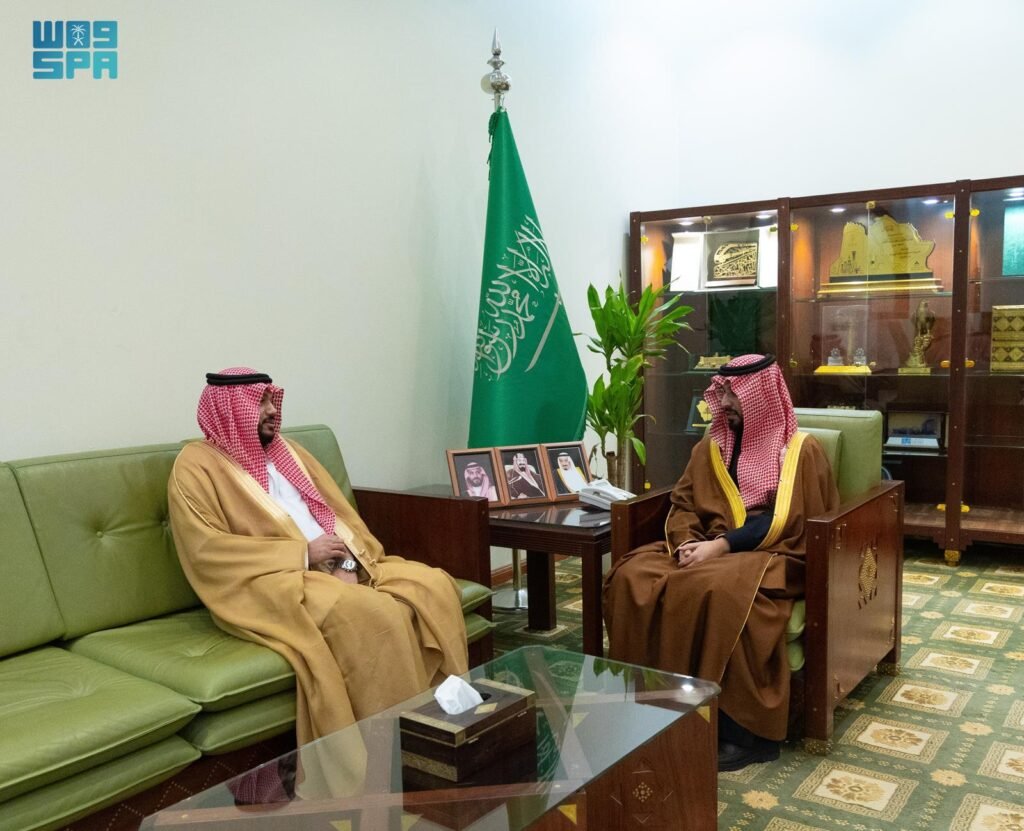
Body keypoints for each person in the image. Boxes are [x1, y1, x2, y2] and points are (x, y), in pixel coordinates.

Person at [168, 368, 468, 746]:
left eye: (271, 400)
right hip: (270, 580)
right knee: (373, 613)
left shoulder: (290, 452)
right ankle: (394, 745)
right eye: (259, 402)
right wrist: (303, 555)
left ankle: (451, 717)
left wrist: (347, 564)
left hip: (339, 564)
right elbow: (207, 551)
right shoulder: (195, 467)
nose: (271, 410)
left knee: (433, 584)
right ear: (229, 409)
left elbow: (341, 519)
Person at [603, 354, 838, 771]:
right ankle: (654, 704)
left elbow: (792, 520)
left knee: (717, 589)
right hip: (707, 547)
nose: (724, 402)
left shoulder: (801, 451)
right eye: (722, 392)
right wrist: (688, 544)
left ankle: (741, 730)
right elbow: (683, 502)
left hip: (775, 553)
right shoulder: (710, 446)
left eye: (734, 394)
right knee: (632, 575)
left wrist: (722, 547)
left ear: (761, 396)